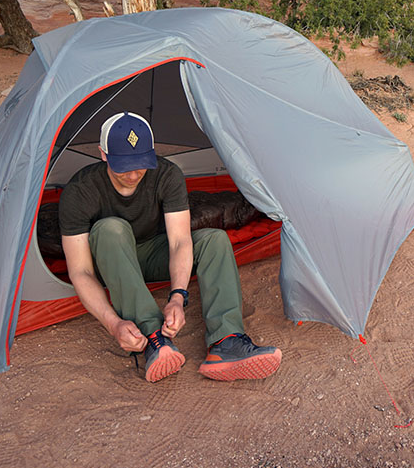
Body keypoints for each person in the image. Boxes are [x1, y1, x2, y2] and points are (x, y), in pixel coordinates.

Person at [58, 111, 281, 382]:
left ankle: (227, 342)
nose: (133, 174)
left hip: (151, 252)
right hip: (110, 260)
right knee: (110, 228)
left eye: (141, 163)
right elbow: (81, 271)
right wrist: (113, 323)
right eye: (124, 165)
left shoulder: (166, 175)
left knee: (214, 239)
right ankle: (152, 337)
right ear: (103, 154)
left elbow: (179, 241)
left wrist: (178, 297)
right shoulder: (80, 190)